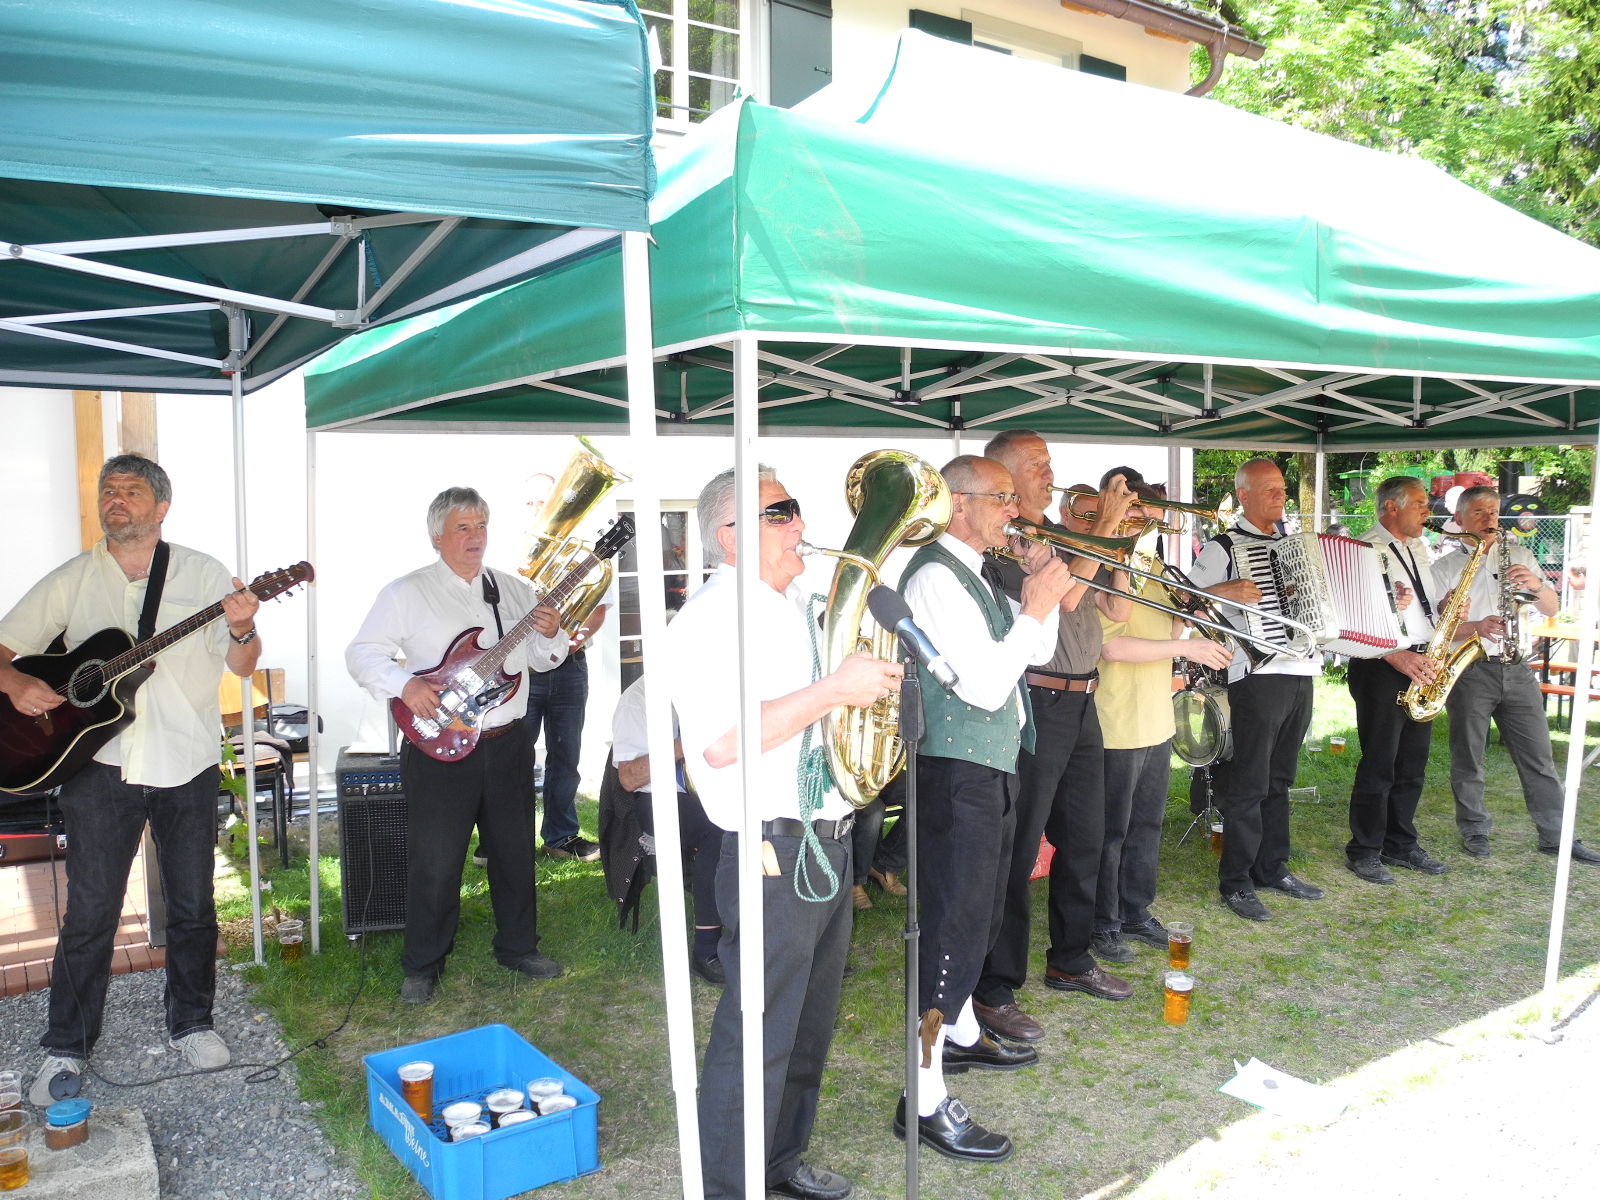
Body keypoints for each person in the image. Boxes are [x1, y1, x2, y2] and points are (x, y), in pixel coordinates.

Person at [663, 465, 901, 1200]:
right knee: (760, 1030)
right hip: (773, 848)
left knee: (807, 1025)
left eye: (795, 509)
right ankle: (730, 1187)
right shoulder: (708, 620)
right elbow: (720, 743)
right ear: (731, 536)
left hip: (825, 838)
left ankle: (778, 1163)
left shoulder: (793, 606)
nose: (800, 523)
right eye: (781, 512)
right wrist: (835, 689)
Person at [0, 454, 261, 1106]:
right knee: (91, 910)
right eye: (108, 490)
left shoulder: (203, 573)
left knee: (193, 903)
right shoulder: (73, 577)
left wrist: (242, 626)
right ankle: (67, 1044)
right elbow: (4, 647)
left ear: (161, 507)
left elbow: (243, 664)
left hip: (186, 761)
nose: (116, 499)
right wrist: (17, 683)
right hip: (98, 765)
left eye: (132, 491)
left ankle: (192, 1022)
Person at [895, 453, 1074, 1162]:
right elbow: (984, 686)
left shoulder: (976, 571)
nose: (1015, 510)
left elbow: (1034, 654)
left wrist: (1038, 598)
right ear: (958, 503)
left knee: (980, 916)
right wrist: (1032, 608)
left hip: (986, 766)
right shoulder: (937, 577)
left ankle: (962, 1034)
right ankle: (922, 1098)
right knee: (950, 931)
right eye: (1001, 497)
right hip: (955, 772)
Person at [346, 487, 569, 1004]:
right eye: (462, 528)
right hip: (438, 749)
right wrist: (406, 685)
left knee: (515, 852)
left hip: (509, 742)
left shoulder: (515, 590)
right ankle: (423, 963)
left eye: (481, 526)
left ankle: (518, 947)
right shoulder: (406, 593)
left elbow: (545, 660)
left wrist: (552, 632)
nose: (475, 537)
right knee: (436, 860)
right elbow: (362, 654)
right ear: (437, 537)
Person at [968, 434, 1137, 1049]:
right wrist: (1105, 526)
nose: (1051, 473)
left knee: (1085, 837)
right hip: (1038, 702)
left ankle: (1071, 957)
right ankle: (995, 985)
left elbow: (1113, 607)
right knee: (1019, 848)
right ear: (1005, 476)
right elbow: (1064, 599)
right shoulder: (1003, 547)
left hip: (1083, 699)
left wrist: (1116, 540)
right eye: (1037, 465)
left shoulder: (1058, 537)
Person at [1093, 483, 1234, 959]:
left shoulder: (1153, 567)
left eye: (1153, 518)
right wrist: (1185, 645)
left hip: (1155, 717)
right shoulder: (1105, 567)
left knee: (1146, 825)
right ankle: (1104, 922)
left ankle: (1135, 910)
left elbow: (1171, 629)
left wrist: (1188, 613)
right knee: (1111, 832)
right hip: (1116, 719)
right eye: (1141, 517)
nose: (1150, 526)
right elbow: (1112, 646)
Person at [1186, 458, 1325, 921]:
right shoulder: (1223, 546)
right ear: (1243, 496)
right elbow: (1185, 600)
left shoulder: (1295, 545)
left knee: (1281, 778)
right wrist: (1227, 591)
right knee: (1250, 782)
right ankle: (1237, 881)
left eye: (1282, 488)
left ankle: (1272, 867)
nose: (1280, 496)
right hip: (1257, 673)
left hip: (1301, 669)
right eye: (1269, 490)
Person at [1436, 486, 1600, 864]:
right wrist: (1476, 626)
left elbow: (1552, 607)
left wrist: (1536, 585)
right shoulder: (1443, 567)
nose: (1489, 518)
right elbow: (1438, 628)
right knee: (1469, 757)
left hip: (1517, 666)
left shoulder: (1520, 555)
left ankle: (1556, 835)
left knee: (1539, 757)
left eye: (1493, 512)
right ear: (1459, 519)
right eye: (1479, 512)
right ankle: (1474, 830)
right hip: (1469, 668)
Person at [1344, 477, 1448, 885]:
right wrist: (1397, 655)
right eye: (1419, 503)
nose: (1427, 510)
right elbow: (1350, 621)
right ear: (1391, 506)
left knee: (1412, 762)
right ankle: (1365, 849)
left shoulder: (1419, 547)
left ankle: (1400, 843)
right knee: (1380, 762)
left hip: (1422, 661)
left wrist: (1445, 606)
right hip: (1382, 664)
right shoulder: (1364, 550)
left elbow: (1423, 606)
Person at [608, 675, 724, 982]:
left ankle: (771, 935)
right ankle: (706, 949)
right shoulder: (638, 700)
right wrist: (687, 744)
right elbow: (629, 778)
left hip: (712, 788)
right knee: (718, 830)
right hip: (658, 795)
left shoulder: (712, 684)